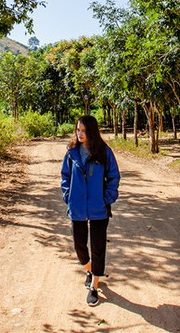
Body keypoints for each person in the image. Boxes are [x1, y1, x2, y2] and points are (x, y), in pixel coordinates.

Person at [60, 114, 120, 306]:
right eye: (78, 130)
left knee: (98, 247)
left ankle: (94, 285)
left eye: (84, 131)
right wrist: (68, 196)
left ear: (92, 132)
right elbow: (65, 177)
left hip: (98, 209)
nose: (80, 134)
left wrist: (107, 198)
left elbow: (114, 176)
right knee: (79, 247)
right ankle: (90, 268)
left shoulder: (104, 152)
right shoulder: (72, 153)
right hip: (77, 207)